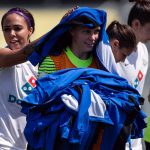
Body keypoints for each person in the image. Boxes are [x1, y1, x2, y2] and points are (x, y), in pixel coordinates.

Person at [19, 6, 146, 150]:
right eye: (86, 32)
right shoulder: (52, 62)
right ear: (72, 31)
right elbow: (42, 105)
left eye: (96, 32)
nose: (92, 38)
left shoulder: (101, 65)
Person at [0, 7, 38, 149]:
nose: (11, 34)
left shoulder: (46, 65)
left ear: (30, 30)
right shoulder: (2, 57)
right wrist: (59, 29)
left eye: (17, 28)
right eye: (6, 29)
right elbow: (25, 54)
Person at [116, 0, 150, 149]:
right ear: (136, 24)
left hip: (135, 135)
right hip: (116, 131)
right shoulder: (114, 52)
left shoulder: (143, 50)